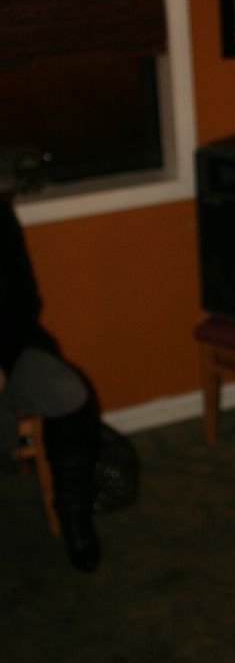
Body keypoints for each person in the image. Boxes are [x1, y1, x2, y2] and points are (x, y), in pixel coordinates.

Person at [0, 193, 101, 573]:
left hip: (11, 347)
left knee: (69, 393)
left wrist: (2, 360)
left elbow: (25, 298)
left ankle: (74, 516)